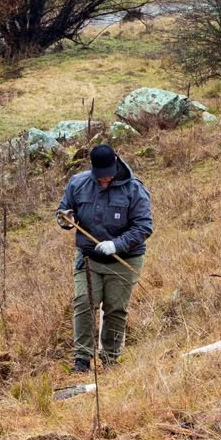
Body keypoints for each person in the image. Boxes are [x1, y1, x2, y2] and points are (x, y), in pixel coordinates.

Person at [57, 143, 153, 372]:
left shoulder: (134, 189)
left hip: (124, 260)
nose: (103, 181)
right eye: (99, 177)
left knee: (115, 308)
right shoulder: (78, 183)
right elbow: (63, 209)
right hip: (88, 259)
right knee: (84, 302)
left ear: (116, 165)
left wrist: (116, 245)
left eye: (108, 177)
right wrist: (64, 218)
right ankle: (81, 359)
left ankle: (110, 358)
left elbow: (144, 226)